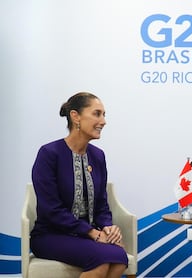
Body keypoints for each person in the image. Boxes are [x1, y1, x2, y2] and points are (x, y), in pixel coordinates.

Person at [30, 92, 128, 278]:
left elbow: (101, 204)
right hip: (50, 235)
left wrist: (107, 227)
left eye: (104, 115)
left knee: (119, 256)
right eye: (97, 114)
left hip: (86, 235)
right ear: (75, 116)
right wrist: (92, 233)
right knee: (102, 258)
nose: (103, 121)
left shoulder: (98, 156)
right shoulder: (49, 154)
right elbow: (51, 209)